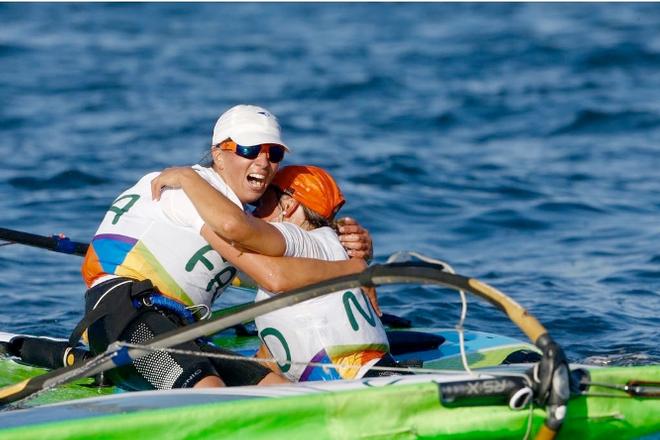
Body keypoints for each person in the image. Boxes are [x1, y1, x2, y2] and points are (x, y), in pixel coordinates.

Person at [75, 104, 373, 391]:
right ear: (218, 154)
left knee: (281, 391)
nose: (263, 162)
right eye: (249, 150)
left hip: (178, 331)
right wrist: (351, 267)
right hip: (123, 319)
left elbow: (290, 268)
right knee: (211, 392)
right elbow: (244, 241)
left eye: (274, 153)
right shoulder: (186, 186)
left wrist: (347, 244)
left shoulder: (233, 212)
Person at [151, 164, 395, 381]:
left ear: (288, 205)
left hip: (351, 384)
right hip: (374, 374)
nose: (252, 213)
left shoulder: (300, 240)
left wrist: (194, 199)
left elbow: (246, 237)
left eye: (261, 204)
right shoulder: (330, 247)